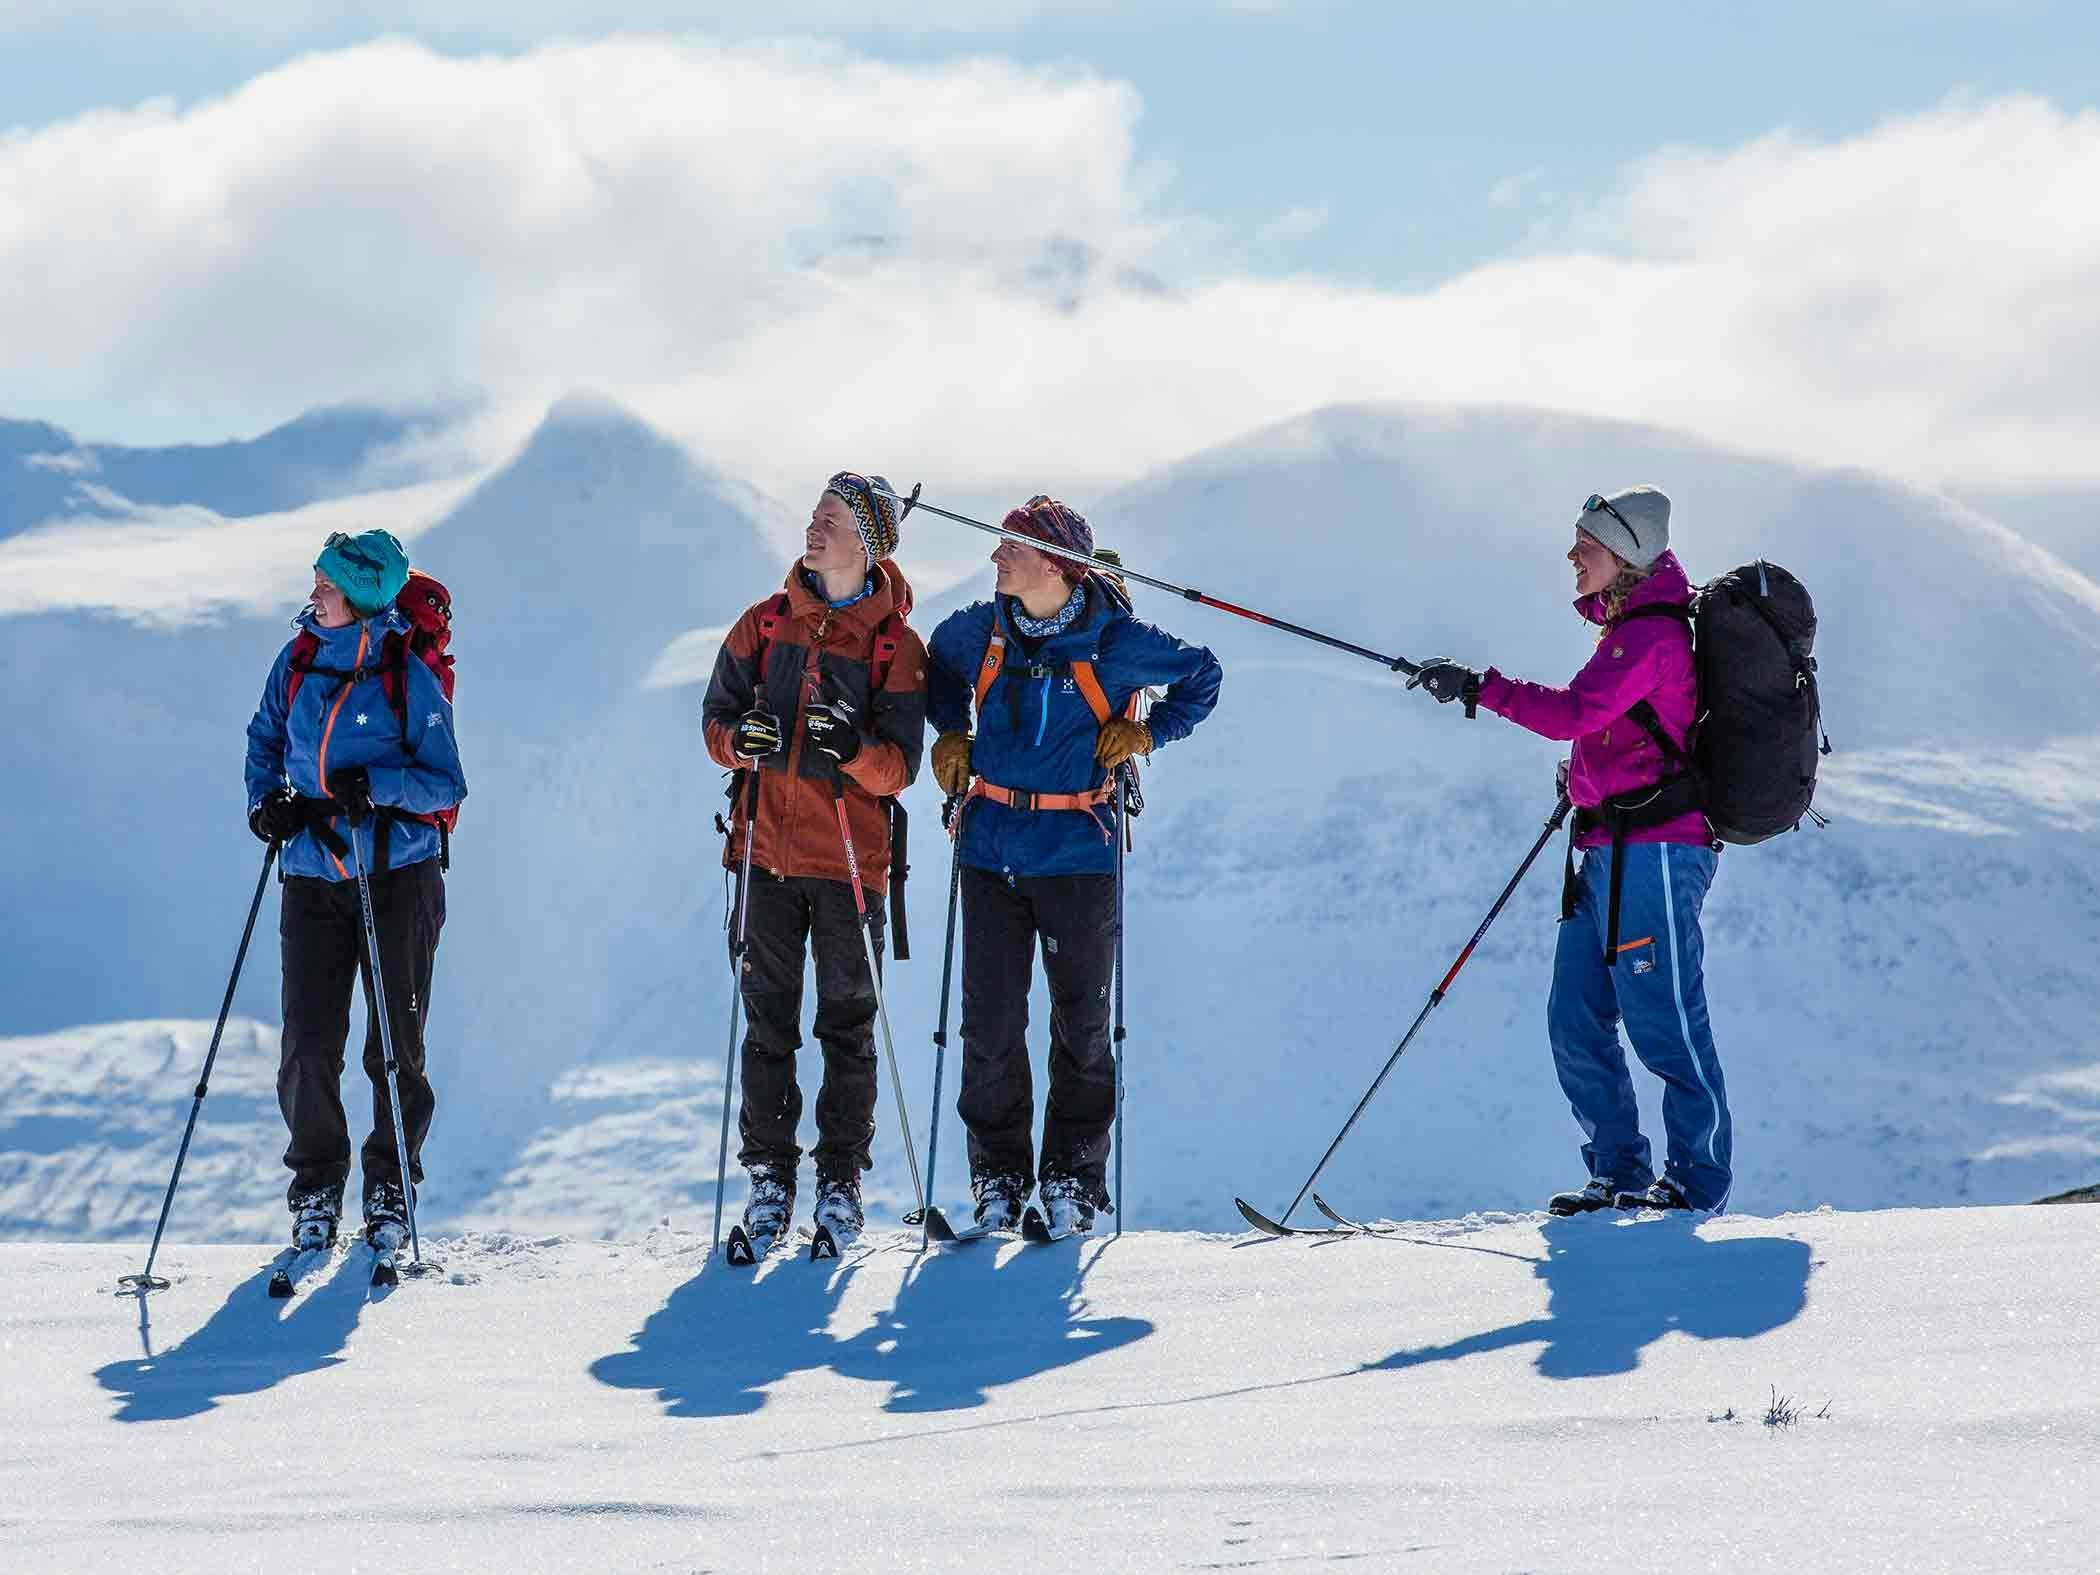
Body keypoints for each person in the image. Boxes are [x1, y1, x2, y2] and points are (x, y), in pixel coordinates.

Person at [1408, 486, 1731, 1214]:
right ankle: (1619, 1172)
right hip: (1608, 849)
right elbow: (1606, 728)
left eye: (1586, 545)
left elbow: (1573, 713)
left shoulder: (1650, 636)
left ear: (1625, 554)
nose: (1571, 556)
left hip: (1656, 854)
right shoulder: (1625, 633)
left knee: (1666, 1021)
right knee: (1575, 1019)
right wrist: (1586, 779)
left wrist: (1480, 687)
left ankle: (1697, 1181)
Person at [926, 496, 1221, 1236]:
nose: (995, 557)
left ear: (1056, 564)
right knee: (989, 1026)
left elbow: (1202, 674)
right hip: (989, 851)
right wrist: (950, 730)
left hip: (1078, 857)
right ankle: (998, 1181)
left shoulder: (1114, 640)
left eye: (1011, 547)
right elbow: (934, 663)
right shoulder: (983, 629)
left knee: (1082, 1026)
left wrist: (1150, 734)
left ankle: (1072, 1183)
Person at [701, 473, 928, 1252]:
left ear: (867, 540)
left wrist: (852, 750)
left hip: (850, 863)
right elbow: (715, 721)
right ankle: (770, 1180)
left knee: (846, 1027)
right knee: (768, 1025)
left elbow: (901, 767)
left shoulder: (896, 646)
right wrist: (741, 742)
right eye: (814, 515)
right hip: (764, 852)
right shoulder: (764, 623)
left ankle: (839, 1182)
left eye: (830, 518)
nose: (813, 528)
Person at [243, 528, 467, 1253]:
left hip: (398, 876)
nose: (314, 594)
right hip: (312, 873)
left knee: (395, 1045)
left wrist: (379, 786)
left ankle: (391, 1186)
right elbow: (264, 739)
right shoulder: (297, 659)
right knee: (308, 1045)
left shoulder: (408, 673)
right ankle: (316, 1188)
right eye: (317, 580)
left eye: (328, 585)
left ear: (364, 597)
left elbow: (447, 783)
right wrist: (266, 802)